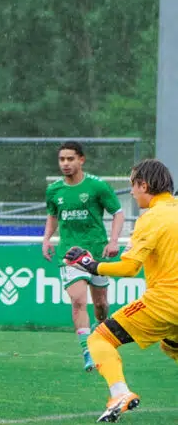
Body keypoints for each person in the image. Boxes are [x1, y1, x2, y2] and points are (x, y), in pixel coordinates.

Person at [63, 158, 178, 422]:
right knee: (172, 346)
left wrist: (91, 265)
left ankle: (120, 393)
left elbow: (129, 269)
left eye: (133, 186)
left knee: (99, 339)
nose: (132, 192)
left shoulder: (152, 219)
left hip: (166, 302)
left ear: (144, 185)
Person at [42, 141, 125, 371]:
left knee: (100, 304)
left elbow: (118, 213)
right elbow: (53, 216)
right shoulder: (54, 190)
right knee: (78, 301)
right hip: (69, 254)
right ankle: (88, 351)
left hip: (96, 253)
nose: (65, 164)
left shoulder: (97, 186)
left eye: (70, 159)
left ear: (81, 160)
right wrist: (47, 238)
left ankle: (101, 333)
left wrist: (114, 240)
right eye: (62, 159)